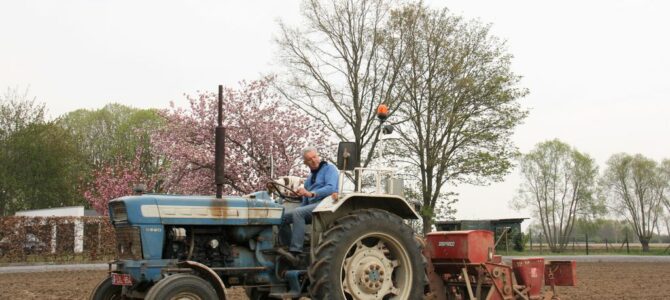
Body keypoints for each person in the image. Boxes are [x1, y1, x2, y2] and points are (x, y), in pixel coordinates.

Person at [279, 147, 339, 256]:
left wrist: (311, 194)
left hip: (325, 205)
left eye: (315, 157)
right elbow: (304, 203)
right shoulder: (309, 178)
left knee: (298, 212)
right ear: (305, 163)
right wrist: (299, 195)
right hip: (312, 208)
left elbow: (331, 188)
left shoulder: (330, 169)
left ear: (318, 156)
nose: (314, 160)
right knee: (282, 217)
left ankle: (296, 250)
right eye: (310, 159)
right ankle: (287, 247)